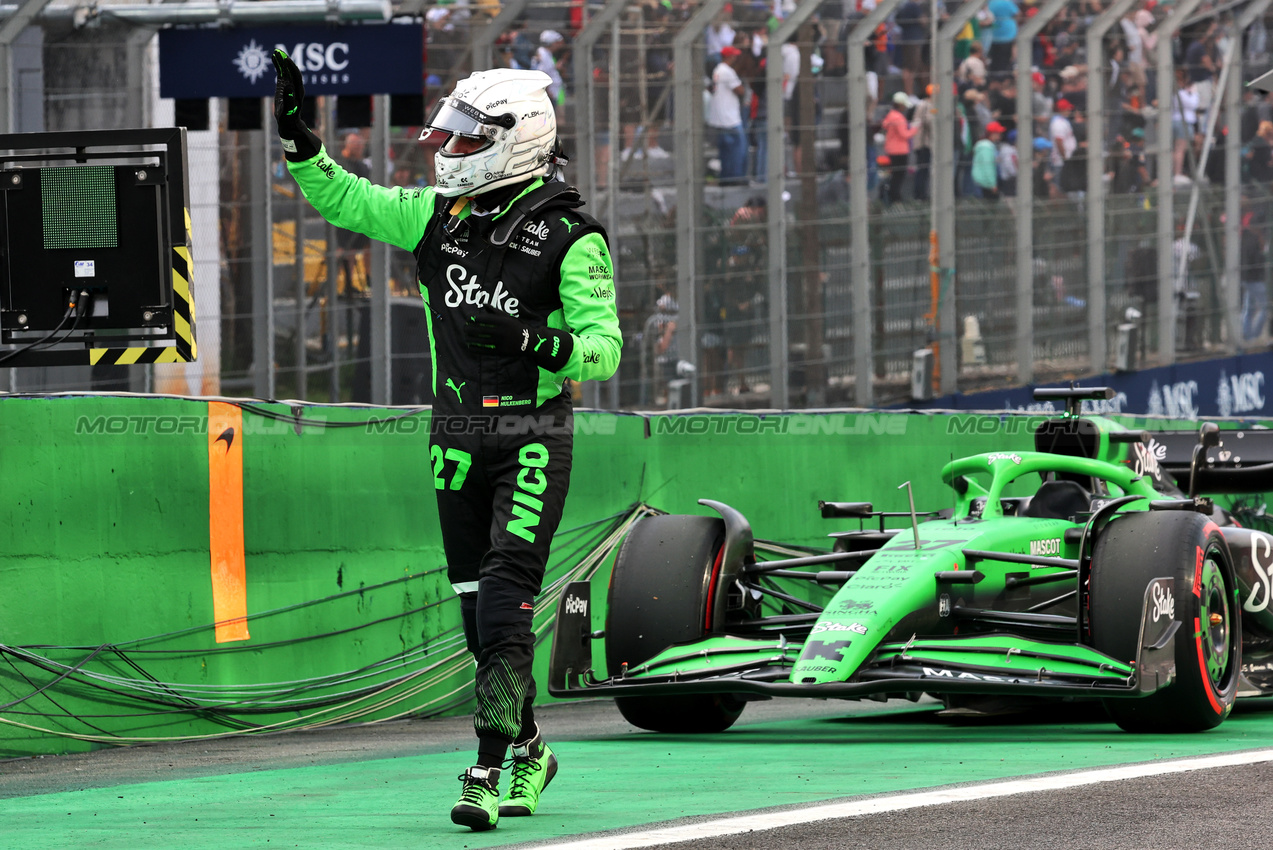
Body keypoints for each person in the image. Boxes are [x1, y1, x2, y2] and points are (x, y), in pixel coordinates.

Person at [270, 51, 621, 832]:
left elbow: (604, 351)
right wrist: (298, 139)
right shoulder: (438, 215)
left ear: (517, 140)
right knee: (476, 617)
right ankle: (531, 747)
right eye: (450, 136)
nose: (448, 151)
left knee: (503, 601)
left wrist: (530, 340)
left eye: (466, 139)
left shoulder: (572, 236)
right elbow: (348, 200)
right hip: (454, 434)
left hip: (532, 435)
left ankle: (485, 771)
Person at [708, 45, 748, 184]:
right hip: (730, 119)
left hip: (720, 118)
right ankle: (735, 178)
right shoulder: (727, 71)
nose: (736, 58)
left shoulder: (718, 69)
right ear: (729, 57)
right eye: (734, 56)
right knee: (738, 150)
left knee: (725, 152)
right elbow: (740, 90)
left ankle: (725, 179)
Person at [882, 92, 917, 203]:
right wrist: (915, 128)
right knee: (899, 175)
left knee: (895, 175)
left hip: (891, 149)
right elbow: (904, 134)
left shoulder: (890, 115)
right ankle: (895, 197)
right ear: (900, 104)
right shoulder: (898, 118)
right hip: (900, 151)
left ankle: (893, 196)